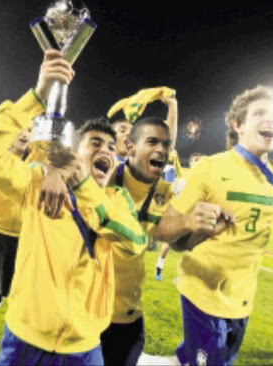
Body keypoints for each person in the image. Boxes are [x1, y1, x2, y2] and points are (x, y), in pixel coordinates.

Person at [0, 49, 146, 366]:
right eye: (94, 143)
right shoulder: (39, 181)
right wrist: (37, 96)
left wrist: (82, 186)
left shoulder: (118, 200)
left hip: (85, 348)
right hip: (25, 340)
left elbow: (135, 243)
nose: (105, 150)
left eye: (110, 147)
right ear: (76, 152)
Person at [154, 85, 273, 366]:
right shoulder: (210, 168)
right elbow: (163, 227)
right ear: (237, 125)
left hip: (242, 298)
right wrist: (190, 221)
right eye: (260, 113)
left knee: (212, 358)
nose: (270, 120)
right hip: (202, 292)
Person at [100, 115, 175, 366]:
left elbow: (181, 241)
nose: (161, 150)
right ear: (129, 146)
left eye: (166, 145)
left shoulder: (165, 192)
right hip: (88, 314)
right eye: (152, 141)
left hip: (130, 317)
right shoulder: (105, 178)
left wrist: (200, 222)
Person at [0, 128, 39, 366]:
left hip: (23, 238)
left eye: (31, 130)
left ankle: (16, 347)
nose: (26, 133)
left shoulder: (38, 161)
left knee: (15, 294)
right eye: (21, 128)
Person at [154, 152, 204, 281]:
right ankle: (159, 266)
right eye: (197, 160)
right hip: (177, 214)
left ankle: (181, 276)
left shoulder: (201, 178)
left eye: (201, 160)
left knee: (192, 245)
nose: (199, 162)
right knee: (169, 243)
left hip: (190, 215)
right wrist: (175, 160)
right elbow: (179, 173)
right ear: (191, 162)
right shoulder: (185, 176)